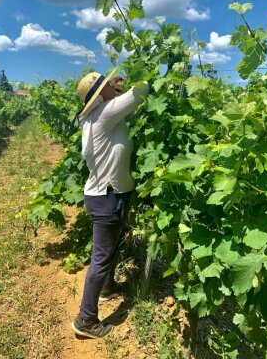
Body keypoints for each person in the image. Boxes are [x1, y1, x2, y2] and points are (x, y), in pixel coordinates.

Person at [71, 70, 148, 339]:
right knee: (100, 260)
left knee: (111, 248)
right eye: (106, 85)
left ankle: (106, 289)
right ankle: (85, 320)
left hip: (106, 195)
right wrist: (153, 76)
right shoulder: (105, 114)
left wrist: (113, 88)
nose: (111, 87)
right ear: (99, 96)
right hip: (108, 197)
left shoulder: (96, 118)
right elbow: (139, 93)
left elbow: (128, 111)